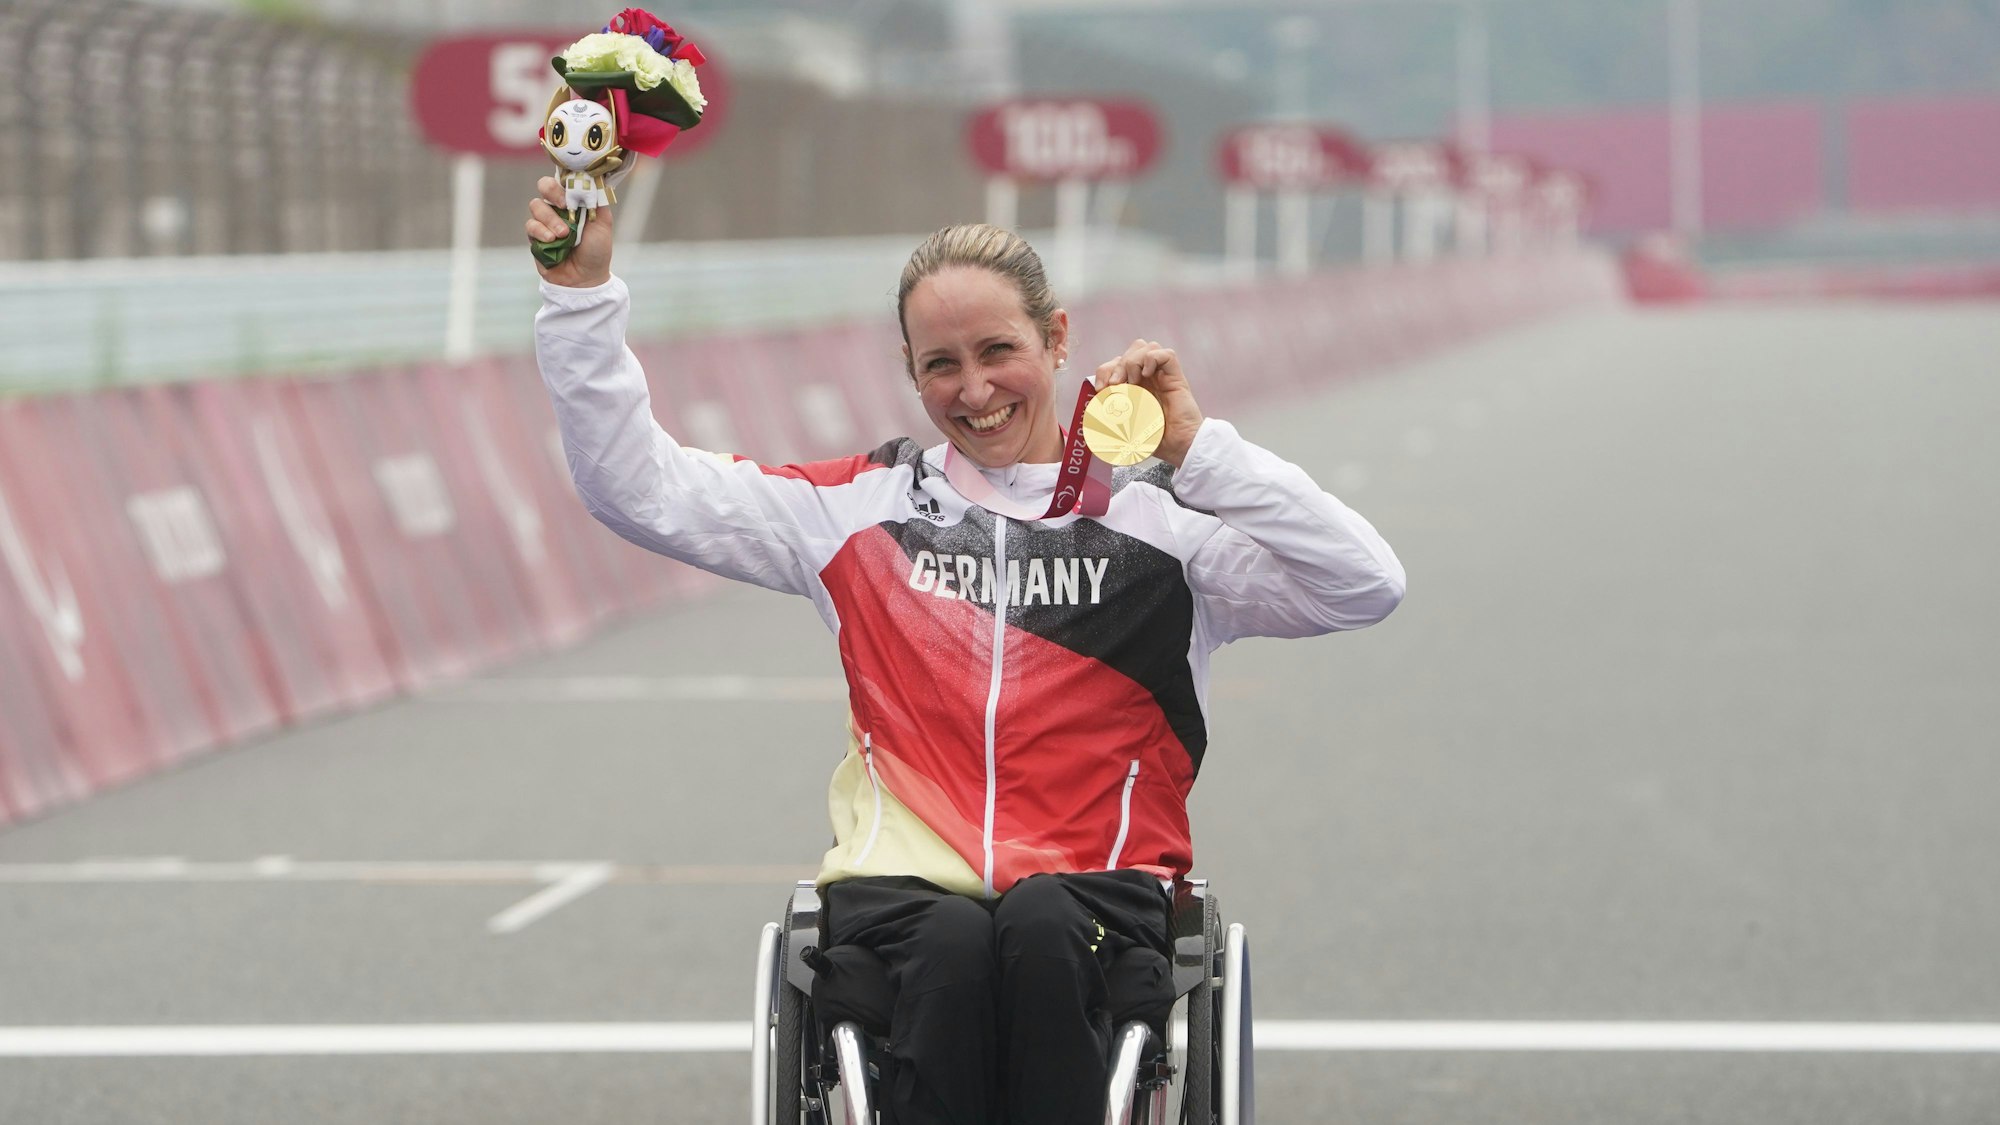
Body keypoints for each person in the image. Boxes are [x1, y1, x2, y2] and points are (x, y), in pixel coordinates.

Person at [527, 176, 1405, 1124]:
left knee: (1038, 923)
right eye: (942, 363)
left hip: (1096, 888)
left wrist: (1200, 450)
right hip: (900, 893)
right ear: (911, 372)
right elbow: (637, 488)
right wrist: (580, 298)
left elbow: (1365, 582)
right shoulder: (861, 510)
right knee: (948, 944)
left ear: (1057, 339)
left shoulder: (1162, 521)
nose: (975, 390)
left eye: (999, 351)